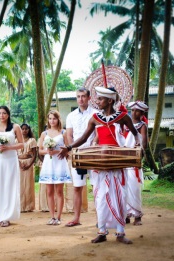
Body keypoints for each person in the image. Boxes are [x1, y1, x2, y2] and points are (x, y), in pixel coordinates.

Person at [58, 86, 140, 244]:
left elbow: (135, 134)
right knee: (100, 197)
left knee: (119, 196)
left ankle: (120, 233)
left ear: (110, 101)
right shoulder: (95, 118)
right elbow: (83, 138)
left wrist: (138, 147)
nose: (98, 101)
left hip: (116, 162)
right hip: (100, 164)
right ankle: (102, 231)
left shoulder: (123, 117)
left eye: (101, 99)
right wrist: (69, 147)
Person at [64, 87, 98, 227]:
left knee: (96, 187)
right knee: (77, 187)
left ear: (89, 97)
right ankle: (76, 218)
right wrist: (72, 151)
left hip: (93, 154)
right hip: (77, 154)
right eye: (78, 96)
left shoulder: (96, 114)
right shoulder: (71, 116)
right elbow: (69, 135)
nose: (81, 99)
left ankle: (100, 219)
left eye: (83, 96)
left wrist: (94, 145)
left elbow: (98, 133)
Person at [0, 106, 23, 227]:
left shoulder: (15, 127)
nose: (1, 115)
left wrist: (9, 147)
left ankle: (8, 215)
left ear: (8, 114)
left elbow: (22, 144)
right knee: (0, 185)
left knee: (10, 186)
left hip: (11, 159)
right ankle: (0, 215)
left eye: (4, 113)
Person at [38, 110, 71, 226]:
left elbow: (68, 149)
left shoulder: (63, 132)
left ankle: (59, 217)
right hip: (48, 163)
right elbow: (40, 150)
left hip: (59, 162)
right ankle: (52, 216)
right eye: (50, 118)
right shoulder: (44, 134)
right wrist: (47, 151)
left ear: (58, 119)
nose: (52, 121)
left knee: (59, 191)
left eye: (54, 118)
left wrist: (57, 151)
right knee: (49, 191)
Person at [124, 101, 149, 225]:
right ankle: (126, 215)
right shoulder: (124, 125)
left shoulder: (142, 125)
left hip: (134, 161)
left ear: (142, 113)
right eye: (132, 110)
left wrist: (139, 148)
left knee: (134, 189)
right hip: (123, 161)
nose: (134, 112)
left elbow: (144, 143)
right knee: (124, 190)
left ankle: (137, 216)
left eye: (137, 111)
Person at [17, 123, 37, 212]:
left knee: (28, 184)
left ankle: (29, 206)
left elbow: (34, 154)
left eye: (26, 129)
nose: (24, 130)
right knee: (19, 184)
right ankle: (20, 206)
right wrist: (19, 163)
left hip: (29, 162)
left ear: (29, 130)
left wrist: (29, 164)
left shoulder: (32, 140)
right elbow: (13, 154)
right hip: (18, 163)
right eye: (22, 129)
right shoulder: (16, 140)